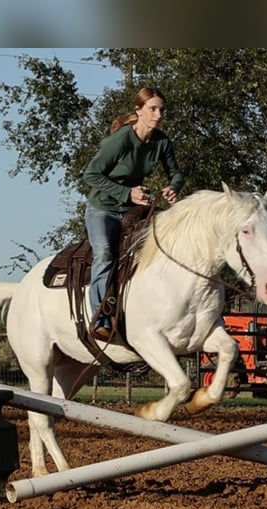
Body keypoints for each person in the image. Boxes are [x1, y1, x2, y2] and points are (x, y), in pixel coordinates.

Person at [82, 87, 185, 342]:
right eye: (153, 108)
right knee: (105, 252)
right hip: (102, 209)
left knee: (162, 246)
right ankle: (99, 317)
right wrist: (127, 193)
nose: (158, 114)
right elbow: (90, 175)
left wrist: (173, 187)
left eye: (161, 109)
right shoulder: (119, 141)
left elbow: (176, 173)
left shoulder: (161, 142)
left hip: (132, 210)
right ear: (138, 110)